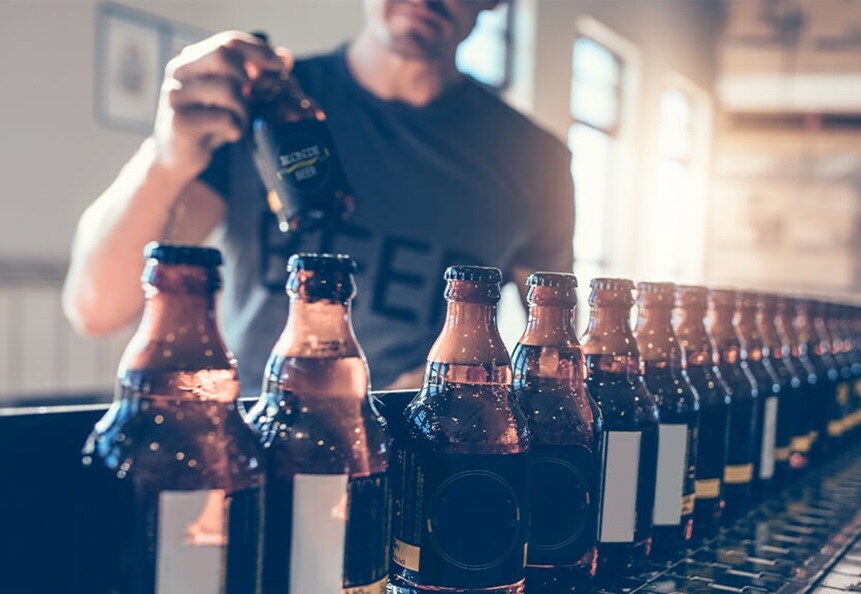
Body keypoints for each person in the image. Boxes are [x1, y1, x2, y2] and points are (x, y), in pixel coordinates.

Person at [63, 0, 575, 391]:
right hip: (242, 444)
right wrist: (165, 157)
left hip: (403, 456)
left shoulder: (535, 159)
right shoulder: (261, 106)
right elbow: (96, 308)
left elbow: (550, 341)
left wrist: (459, 381)